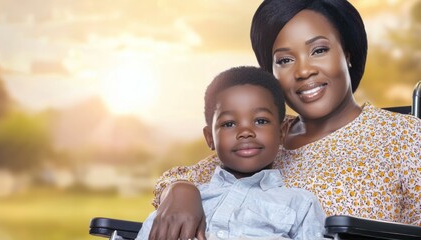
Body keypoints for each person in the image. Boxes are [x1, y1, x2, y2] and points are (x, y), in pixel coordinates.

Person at [149, 1, 421, 239]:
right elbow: (181, 177)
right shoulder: (263, 133)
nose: (303, 70)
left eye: (319, 50)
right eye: (285, 60)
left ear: (347, 54)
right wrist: (180, 190)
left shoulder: (404, 135)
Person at [137, 66, 326, 240]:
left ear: (282, 132)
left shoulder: (300, 203)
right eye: (229, 124)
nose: (245, 132)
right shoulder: (180, 207)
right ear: (210, 137)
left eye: (260, 121)